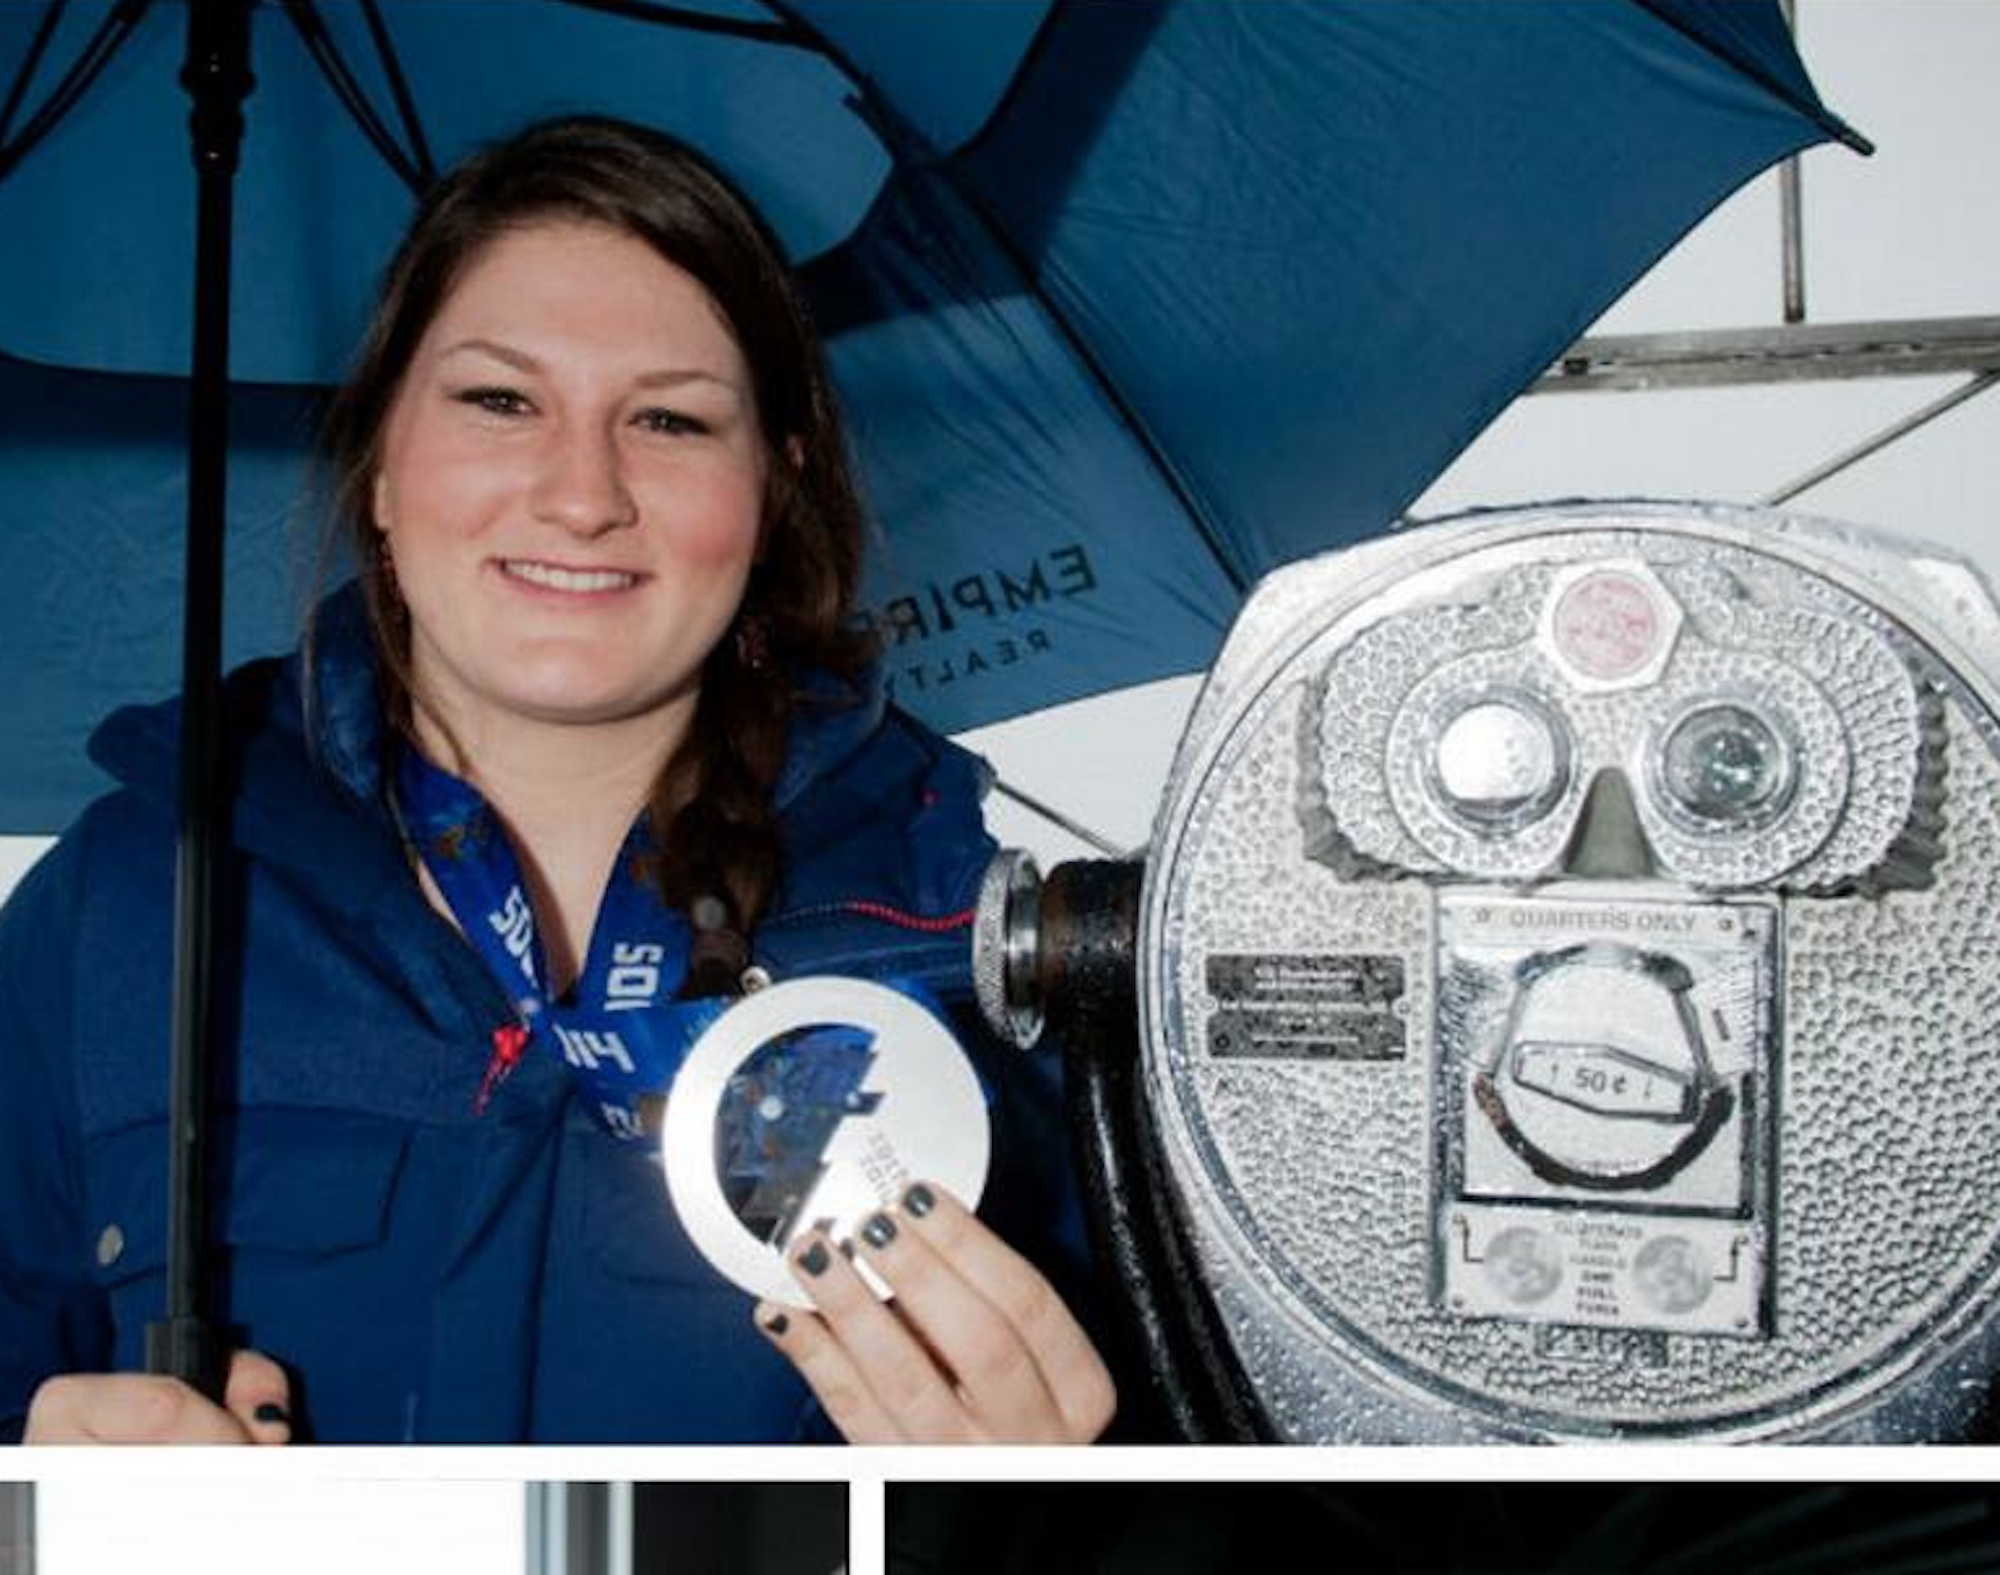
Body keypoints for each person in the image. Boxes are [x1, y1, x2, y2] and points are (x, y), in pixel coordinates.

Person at [0, 116, 1114, 1445]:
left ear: (774, 491)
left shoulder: (981, 956)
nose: (583, 494)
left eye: (670, 419)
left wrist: (1044, 1511)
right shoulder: (128, 906)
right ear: (381, 462)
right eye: (500, 401)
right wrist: (42, 1497)